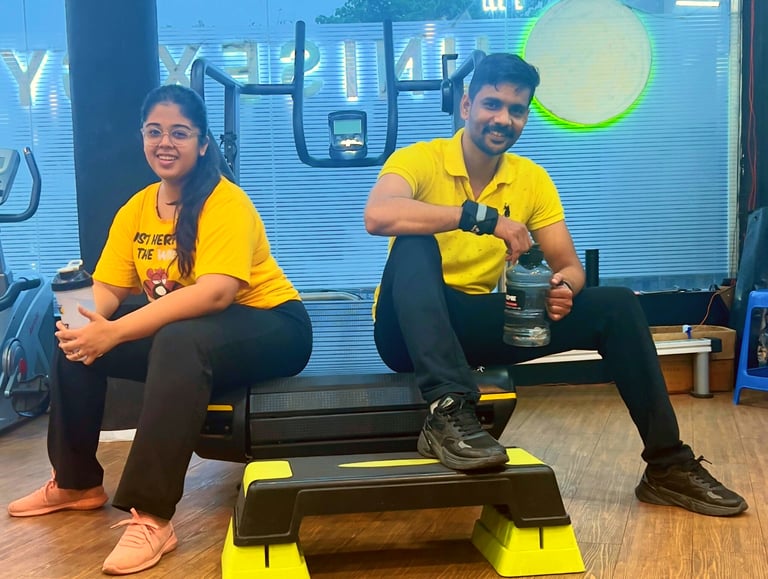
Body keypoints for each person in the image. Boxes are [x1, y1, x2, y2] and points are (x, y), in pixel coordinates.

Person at [363, 52, 747, 517]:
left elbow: (570, 264)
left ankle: (667, 465)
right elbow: (378, 215)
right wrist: (478, 217)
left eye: (516, 109)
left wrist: (565, 286)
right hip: (405, 329)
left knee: (618, 306)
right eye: (492, 104)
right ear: (466, 106)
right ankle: (446, 411)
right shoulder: (419, 160)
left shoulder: (531, 180)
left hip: (471, 325)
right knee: (413, 243)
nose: (502, 119)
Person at [7, 84, 313, 574]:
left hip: (274, 325)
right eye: (154, 131)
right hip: (195, 335)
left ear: (203, 142)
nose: (164, 142)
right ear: (142, 137)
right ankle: (76, 482)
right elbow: (106, 289)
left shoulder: (225, 203)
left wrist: (116, 331)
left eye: (179, 133)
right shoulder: (137, 208)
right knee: (71, 333)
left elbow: (214, 294)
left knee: (174, 337)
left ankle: (152, 516)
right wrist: (85, 324)